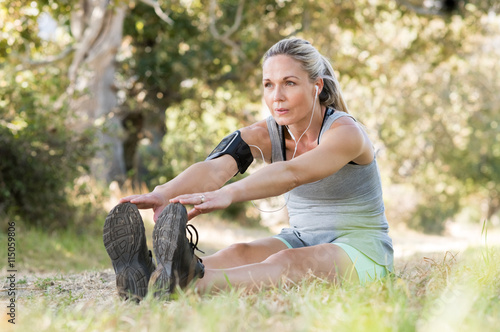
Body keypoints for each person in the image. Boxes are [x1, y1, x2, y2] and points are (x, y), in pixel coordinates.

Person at [103, 38, 394, 301]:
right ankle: (149, 278)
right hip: (301, 237)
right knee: (237, 252)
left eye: (289, 83)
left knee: (289, 264)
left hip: (361, 248)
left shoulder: (346, 133)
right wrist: (163, 193)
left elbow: (292, 173)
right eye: (268, 84)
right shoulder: (263, 134)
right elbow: (215, 169)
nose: (276, 96)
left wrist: (230, 194)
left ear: (316, 86)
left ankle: (187, 284)